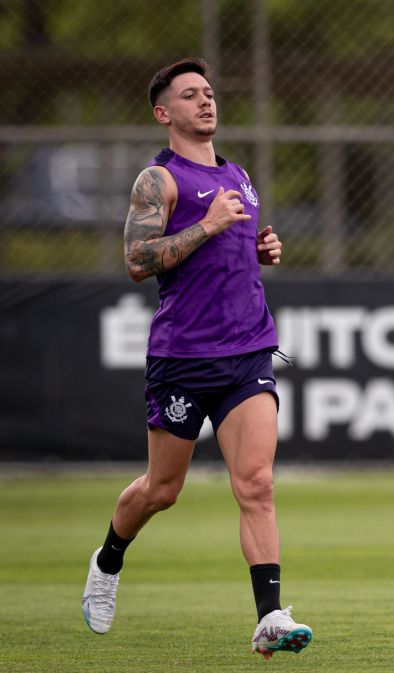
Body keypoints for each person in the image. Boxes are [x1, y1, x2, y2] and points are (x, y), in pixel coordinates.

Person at [81, 57, 311, 659]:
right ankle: (108, 560)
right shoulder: (158, 181)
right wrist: (209, 227)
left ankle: (270, 618)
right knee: (162, 489)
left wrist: (259, 247)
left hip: (248, 349)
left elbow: (228, 252)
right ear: (165, 113)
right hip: (184, 355)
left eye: (209, 92)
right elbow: (137, 261)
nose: (206, 102)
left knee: (256, 484)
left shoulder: (238, 173)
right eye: (190, 95)